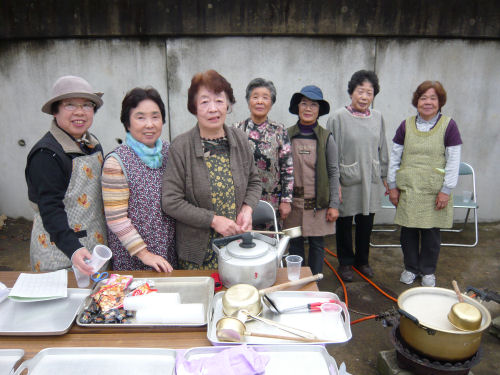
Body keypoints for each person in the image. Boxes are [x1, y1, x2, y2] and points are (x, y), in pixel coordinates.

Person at [162, 70, 261, 270]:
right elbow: (171, 201)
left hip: (236, 243)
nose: (213, 109)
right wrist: (213, 220)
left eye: (219, 100)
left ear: (228, 104)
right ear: (194, 108)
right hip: (198, 253)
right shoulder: (181, 146)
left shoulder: (240, 140)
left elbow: (254, 181)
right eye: (204, 102)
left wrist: (247, 208)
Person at [25, 75, 106, 275]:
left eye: (87, 105)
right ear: (55, 111)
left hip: (94, 244)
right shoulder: (46, 154)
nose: (80, 112)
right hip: (60, 251)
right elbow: (49, 208)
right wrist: (73, 248)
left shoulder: (92, 144)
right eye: (70, 105)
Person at [388, 80, 462, 287]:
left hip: (434, 190)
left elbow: (454, 159)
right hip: (409, 189)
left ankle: (428, 271)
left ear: (440, 102)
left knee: (431, 234)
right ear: (416, 101)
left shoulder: (449, 125)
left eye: (433, 98)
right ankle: (411, 268)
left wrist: (446, 190)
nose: (427, 102)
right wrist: (392, 186)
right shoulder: (406, 125)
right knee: (408, 232)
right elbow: (395, 157)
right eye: (423, 98)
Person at [102, 87, 177, 272]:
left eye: (155, 116)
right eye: (140, 117)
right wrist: (145, 254)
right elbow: (116, 218)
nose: (149, 124)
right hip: (134, 257)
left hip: (168, 250)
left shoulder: (169, 152)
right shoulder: (117, 162)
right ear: (127, 123)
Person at [327, 70, 389, 281]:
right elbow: (330, 152)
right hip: (346, 178)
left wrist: (385, 176)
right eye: (360, 91)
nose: (364, 97)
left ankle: (362, 261)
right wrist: (334, 185)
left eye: (369, 93)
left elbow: (383, 148)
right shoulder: (338, 117)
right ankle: (345, 263)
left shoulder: (378, 117)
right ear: (351, 92)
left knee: (366, 222)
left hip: (370, 178)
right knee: (344, 223)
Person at [283, 85, 340, 275]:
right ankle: (297, 279)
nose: (308, 109)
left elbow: (333, 172)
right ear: (297, 107)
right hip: (293, 203)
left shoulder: (326, 138)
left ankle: (315, 280)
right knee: (295, 243)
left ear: (319, 110)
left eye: (313, 105)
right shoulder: (287, 135)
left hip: (318, 203)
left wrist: (333, 204)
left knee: (317, 244)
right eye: (304, 104)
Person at [234, 78, 293, 220]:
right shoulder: (236, 130)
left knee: (270, 240)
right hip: (242, 200)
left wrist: (286, 200)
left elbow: (288, 168)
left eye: (265, 98)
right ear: (248, 101)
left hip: (272, 200)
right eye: (255, 97)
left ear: (271, 103)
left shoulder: (279, 130)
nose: (260, 101)